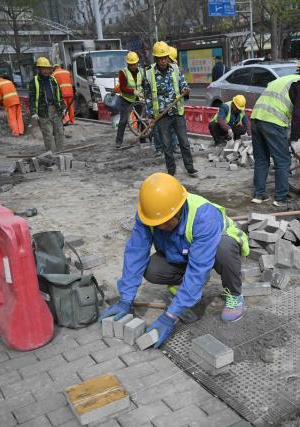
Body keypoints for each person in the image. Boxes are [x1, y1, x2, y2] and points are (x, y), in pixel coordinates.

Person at [98, 172, 249, 348]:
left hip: (216, 250)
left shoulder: (204, 216)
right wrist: (126, 298)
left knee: (224, 248)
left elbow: (199, 267)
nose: (159, 226)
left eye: (164, 222)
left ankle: (234, 295)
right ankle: (183, 289)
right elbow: (135, 252)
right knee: (152, 269)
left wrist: (170, 317)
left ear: (178, 210)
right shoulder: (150, 215)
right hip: (183, 250)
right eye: (156, 223)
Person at [250, 54, 300, 207]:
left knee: (262, 159)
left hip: (256, 118)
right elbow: (298, 113)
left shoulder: (285, 79)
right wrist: (295, 139)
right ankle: (281, 198)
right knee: (283, 160)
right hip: (272, 122)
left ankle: (259, 194)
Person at [145, 41, 198, 177]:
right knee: (167, 145)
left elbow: (183, 84)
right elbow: (148, 97)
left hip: (177, 112)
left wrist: (185, 90)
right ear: (156, 58)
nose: (163, 61)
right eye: (160, 58)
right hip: (161, 115)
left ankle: (190, 167)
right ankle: (171, 170)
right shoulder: (149, 74)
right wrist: (150, 116)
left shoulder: (175, 69)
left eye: (165, 58)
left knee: (184, 142)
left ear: (168, 57)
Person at [28, 57, 65, 151]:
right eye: (43, 69)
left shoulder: (53, 80)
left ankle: (61, 153)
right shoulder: (34, 81)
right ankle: (52, 155)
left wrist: (63, 107)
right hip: (43, 112)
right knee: (48, 134)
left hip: (55, 110)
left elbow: (59, 95)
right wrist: (33, 112)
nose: (46, 71)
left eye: (48, 69)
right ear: (39, 69)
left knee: (60, 132)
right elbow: (31, 98)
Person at [115, 51, 149, 148]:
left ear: (137, 63)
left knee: (140, 119)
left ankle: (142, 138)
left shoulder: (141, 71)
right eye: (131, 64)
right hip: (126, 99)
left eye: (135, 64)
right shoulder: (123, 72)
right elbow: (122, 88)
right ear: (128, 64)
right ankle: (118, 141)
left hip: (138, 99)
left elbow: (143, 84)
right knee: (123, 120)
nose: (133, 66)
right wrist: (132, 91)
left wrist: (144, 90)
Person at [0, 71, 23, 137]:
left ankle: (15, 133)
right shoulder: (8, 81)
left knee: (12, 117)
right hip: (17, 100)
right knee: (19, 116)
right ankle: (21, 131)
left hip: (9, 102)